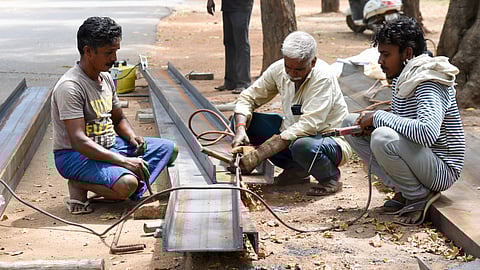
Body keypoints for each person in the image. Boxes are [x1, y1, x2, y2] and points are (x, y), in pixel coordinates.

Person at [343, 16, 465, 225]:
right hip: (420, 159)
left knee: (383, 136)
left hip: (441, 169)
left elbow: (427, 133)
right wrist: (373, 123)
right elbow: (404, 124)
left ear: (407, 53)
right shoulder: (405, 77)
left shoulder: (428, 82)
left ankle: (418, 197)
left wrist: (380, 117)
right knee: (351, 124)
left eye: (386, 54)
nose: (380, 61)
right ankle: (402, 190)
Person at [51, 17, 177, 215]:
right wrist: (124, 161)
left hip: (110, 146)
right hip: (75, 156)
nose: (114, 58)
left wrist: (131, 136)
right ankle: (80, 184)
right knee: (127, 183)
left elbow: (118, 119)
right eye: (109, 52)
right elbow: (78, 140)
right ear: (88, 51)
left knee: (170, 149)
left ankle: (121, 181)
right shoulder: (71, 87)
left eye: (116, 51)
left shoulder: (107, 77)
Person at [231, 31, 352, 196]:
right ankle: (297, 170)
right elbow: (248, 97)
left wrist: (260, 153)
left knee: (303, 146)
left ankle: (330, 178)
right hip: (291, 138)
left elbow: (310, 125)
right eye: (288, 67)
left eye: (299, 69)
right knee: (242, 120)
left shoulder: (323, 77)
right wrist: (240, 129)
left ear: (313, 62)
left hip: (326, 141)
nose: (292, 73)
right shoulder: (279, 68)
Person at [207, 0, 253, 94]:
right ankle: (230, 81)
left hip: (241, 6)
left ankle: (243, 82)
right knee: (229, 42)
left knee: (241, 43)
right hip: (227, 5)